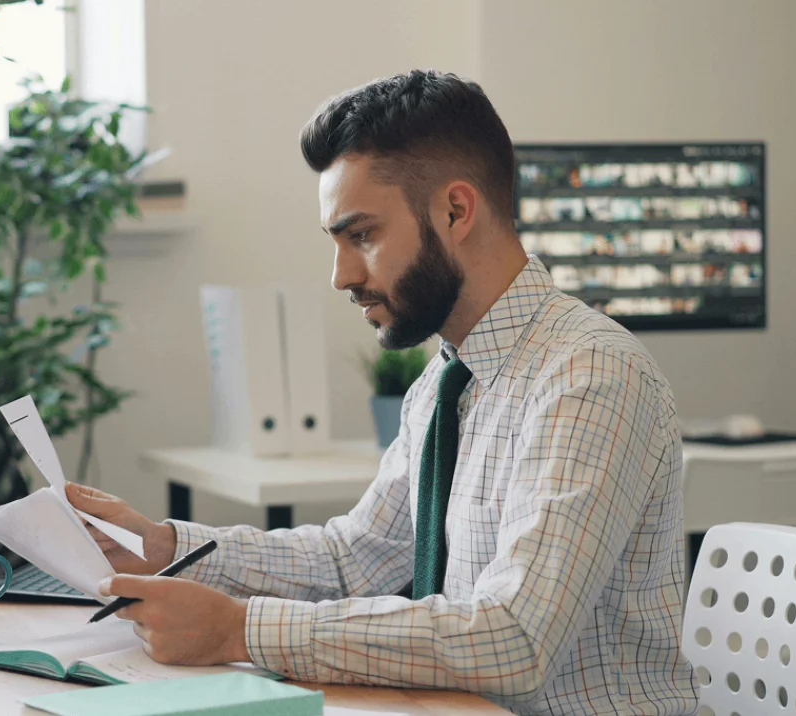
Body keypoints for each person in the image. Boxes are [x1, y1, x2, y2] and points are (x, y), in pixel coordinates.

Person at [67, 69, 698, 715]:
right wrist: (164, 546)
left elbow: (515, 640)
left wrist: (238, 629)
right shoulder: (447, 381)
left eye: (361, 235)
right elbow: (353, 560)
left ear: (456, 211)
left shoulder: (589, 376)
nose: (342, 275)